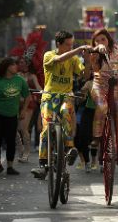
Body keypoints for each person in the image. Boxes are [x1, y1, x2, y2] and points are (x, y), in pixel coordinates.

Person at [31, 30, 90, 179]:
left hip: (66, 96)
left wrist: (88, 61)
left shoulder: (74, 59)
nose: (70, 47)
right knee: (46, 128)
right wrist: (77, 50)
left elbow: (84, 75)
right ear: (58, 44)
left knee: (66, 114)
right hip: (50, 97)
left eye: (72, 45)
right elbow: (58, 60)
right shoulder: (49, 55)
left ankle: (70, 148)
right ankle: (43, 164)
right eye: (68, 45)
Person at [86, 28, 118, 175]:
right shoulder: (93, 54)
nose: (100, 43)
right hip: (100, 86)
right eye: (97, 40)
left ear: (109, 40)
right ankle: (96, 138)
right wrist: (96, 52)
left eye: (103, 39)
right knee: (102, 106)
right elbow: (93, 70)